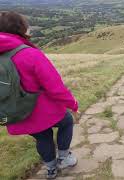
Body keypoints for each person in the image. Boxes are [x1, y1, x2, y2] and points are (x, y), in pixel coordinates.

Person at [0, 11, 80, 179]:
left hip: (15, 112)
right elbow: (55, 86)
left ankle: (50, 169)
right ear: (19, 29)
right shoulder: (29, 54)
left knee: (42, 137)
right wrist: (73, 104)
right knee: (66, 122)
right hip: (43, 110)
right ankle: (64, 158)